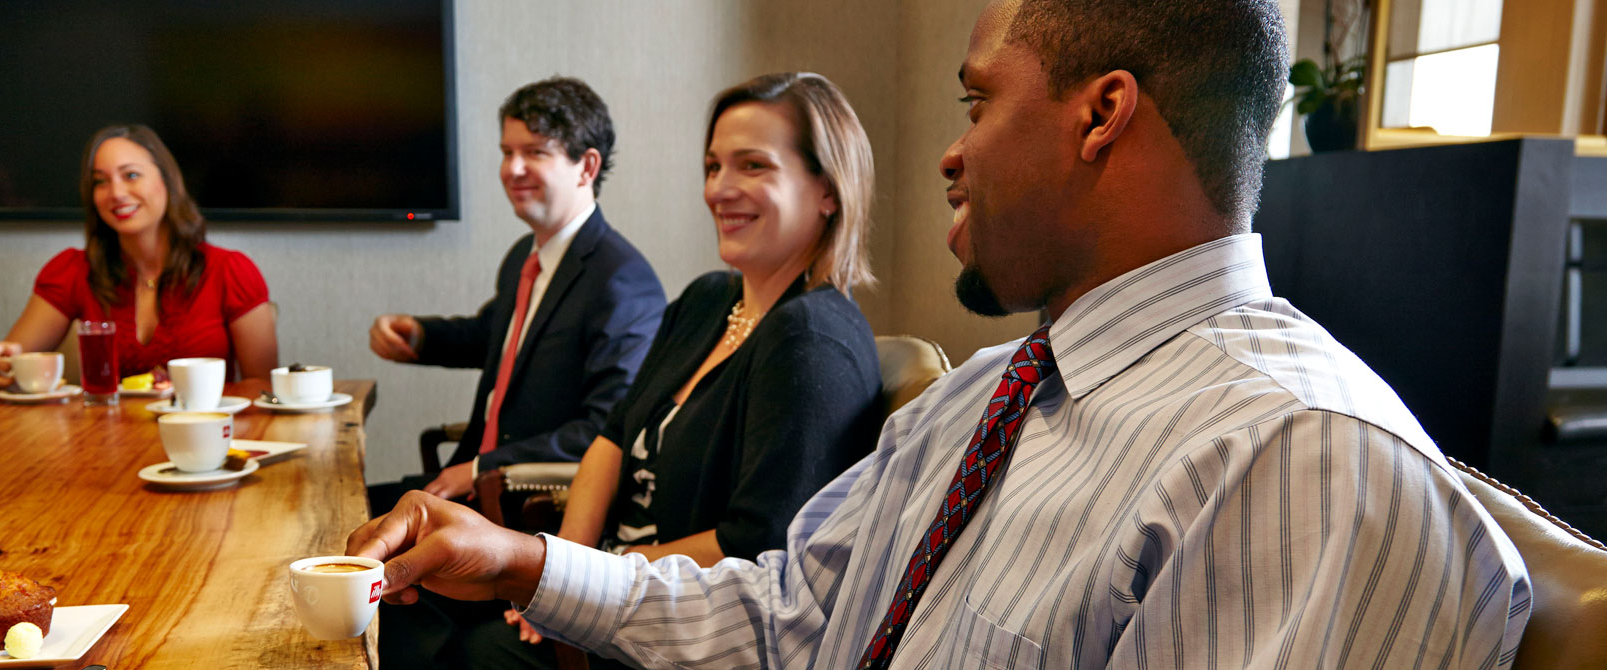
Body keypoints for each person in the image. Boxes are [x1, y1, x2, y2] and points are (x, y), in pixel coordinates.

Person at [346, 1, 1534, 668]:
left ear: (1102, 115)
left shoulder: (1308, 467)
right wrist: (524, 563)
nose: (951, 152)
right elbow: (790, 613)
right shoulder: (986, 396)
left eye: (978, 101)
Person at [462, 72, 886, 669]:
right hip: (610, 593)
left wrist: (580, 584)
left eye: (753, 166)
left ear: (828, 191)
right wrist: (565, 573)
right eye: (713, 166)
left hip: (685, 630)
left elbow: (752, 549)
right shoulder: (708, 300)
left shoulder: (811, 340)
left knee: (461, 649)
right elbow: (612, 437)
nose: (719, 189)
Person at [363, 77, 666, 670]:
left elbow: (604, 427)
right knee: (346, 516)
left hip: (525, 505)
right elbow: (497, 336)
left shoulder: (621, 281)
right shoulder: (526, 257)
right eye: (507, 151)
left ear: (586, 166)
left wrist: (481, 468)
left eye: (535, 152)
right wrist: (419, 335)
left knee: (375, 561)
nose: (512, 168)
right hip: (475, 482)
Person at [0, 125, 276, 389]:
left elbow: (262, 387)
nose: (116, 193)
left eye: (131, 175)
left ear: (167, 182)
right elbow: (6, 369)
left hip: (203, 432)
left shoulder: (230, 270)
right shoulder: (73, 270)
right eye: (100, 181)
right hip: (106, 434)